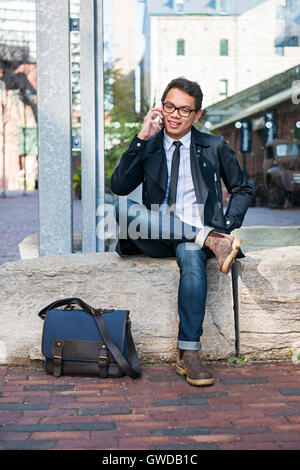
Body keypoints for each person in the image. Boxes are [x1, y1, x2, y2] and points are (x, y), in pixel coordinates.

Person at [111, 77, 253, 387]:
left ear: (197, 114)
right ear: (160, 108)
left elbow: (242, 188)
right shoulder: (148, 145)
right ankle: (213, 241)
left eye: (184, 110)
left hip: (193, 238)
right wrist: (141, 136)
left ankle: (189, 353)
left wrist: (226, 225)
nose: (175, 115)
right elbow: (119, 186)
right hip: (156, 234)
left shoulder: (213, 145)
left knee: (190, 252)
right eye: (169, 106)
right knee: (122, 209)